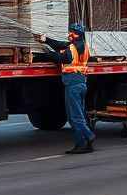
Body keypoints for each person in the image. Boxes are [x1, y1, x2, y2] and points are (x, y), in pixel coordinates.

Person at [34, 24, 96, 154]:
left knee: (74, 116)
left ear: (77, 34)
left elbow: (60, 58)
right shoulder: (83, 46)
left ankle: (87, 137)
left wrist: (47, 53)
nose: (69, 34)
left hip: (73, 83)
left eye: (71, 32)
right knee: (80, 114)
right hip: (81, 82)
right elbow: (60, 45)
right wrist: (46, 40)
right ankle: (86, 143)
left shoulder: (72, 48)